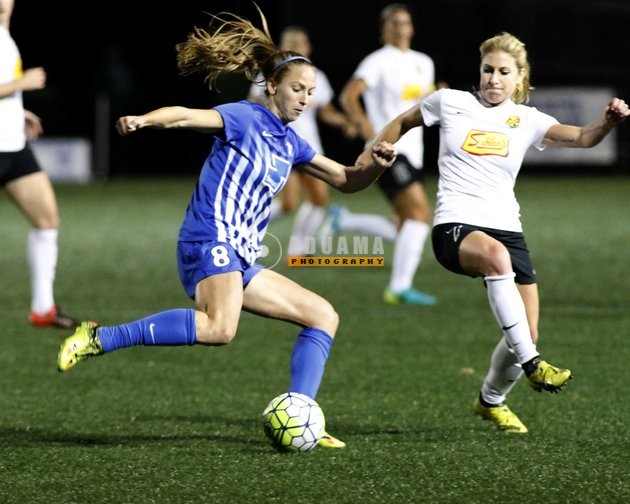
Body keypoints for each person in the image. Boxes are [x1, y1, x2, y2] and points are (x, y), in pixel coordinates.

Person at [56, 7, 397, 449]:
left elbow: (347, 180)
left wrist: (377, 165)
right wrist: (146, 120)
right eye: (297, 89)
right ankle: (99, 337)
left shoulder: (292, 143)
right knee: (220, 328)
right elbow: (186, 116)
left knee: (322, 316)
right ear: (272, 86)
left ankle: (300, 412)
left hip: (240, 254)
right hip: (207, 237)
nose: (304, 99)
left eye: (310, 92)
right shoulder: (245, 117)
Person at [360, 31, 629, 433]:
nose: (493, 79)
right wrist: (373, 153)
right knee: (498, 266)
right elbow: (401, 121)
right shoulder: (450, 102)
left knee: (527, 330)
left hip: (508, 229)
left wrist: (608, 121)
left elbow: (584, 138)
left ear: (520, 77)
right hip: (455, 225)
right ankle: (534, 364)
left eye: (504, 72)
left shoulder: (528, 119)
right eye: (488, 69)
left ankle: (490, 400)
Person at [248, 25, 397, 256]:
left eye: (302, 44)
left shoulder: (315, 76)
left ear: (308, 47)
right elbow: (252, 107)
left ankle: (298, 248)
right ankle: (246, 230)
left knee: (318, 200)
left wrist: (347, 122)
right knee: (288, 203)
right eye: (293, 44)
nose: (299, 48)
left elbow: (326, 112)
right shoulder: (271, 75)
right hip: (278, 146)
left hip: (307, 148)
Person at [339, 3, 439, 306]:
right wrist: (365, 125)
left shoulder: (424, 62)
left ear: (412, 28)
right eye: (394, 23)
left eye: (404, 22)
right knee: (419, 215)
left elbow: (423, 102)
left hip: (415, 152)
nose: (400, 28)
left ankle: (345, 220)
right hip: (389, 150)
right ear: (384, 29)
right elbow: (349, 96)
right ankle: (399, 287)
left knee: (404, 224)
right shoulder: (377, 61)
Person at [0, 0, 80, 329]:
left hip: (13, 146)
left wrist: (18, 111)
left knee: (46, 220)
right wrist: (21, 84)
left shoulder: (5, 36)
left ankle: (43, 309)